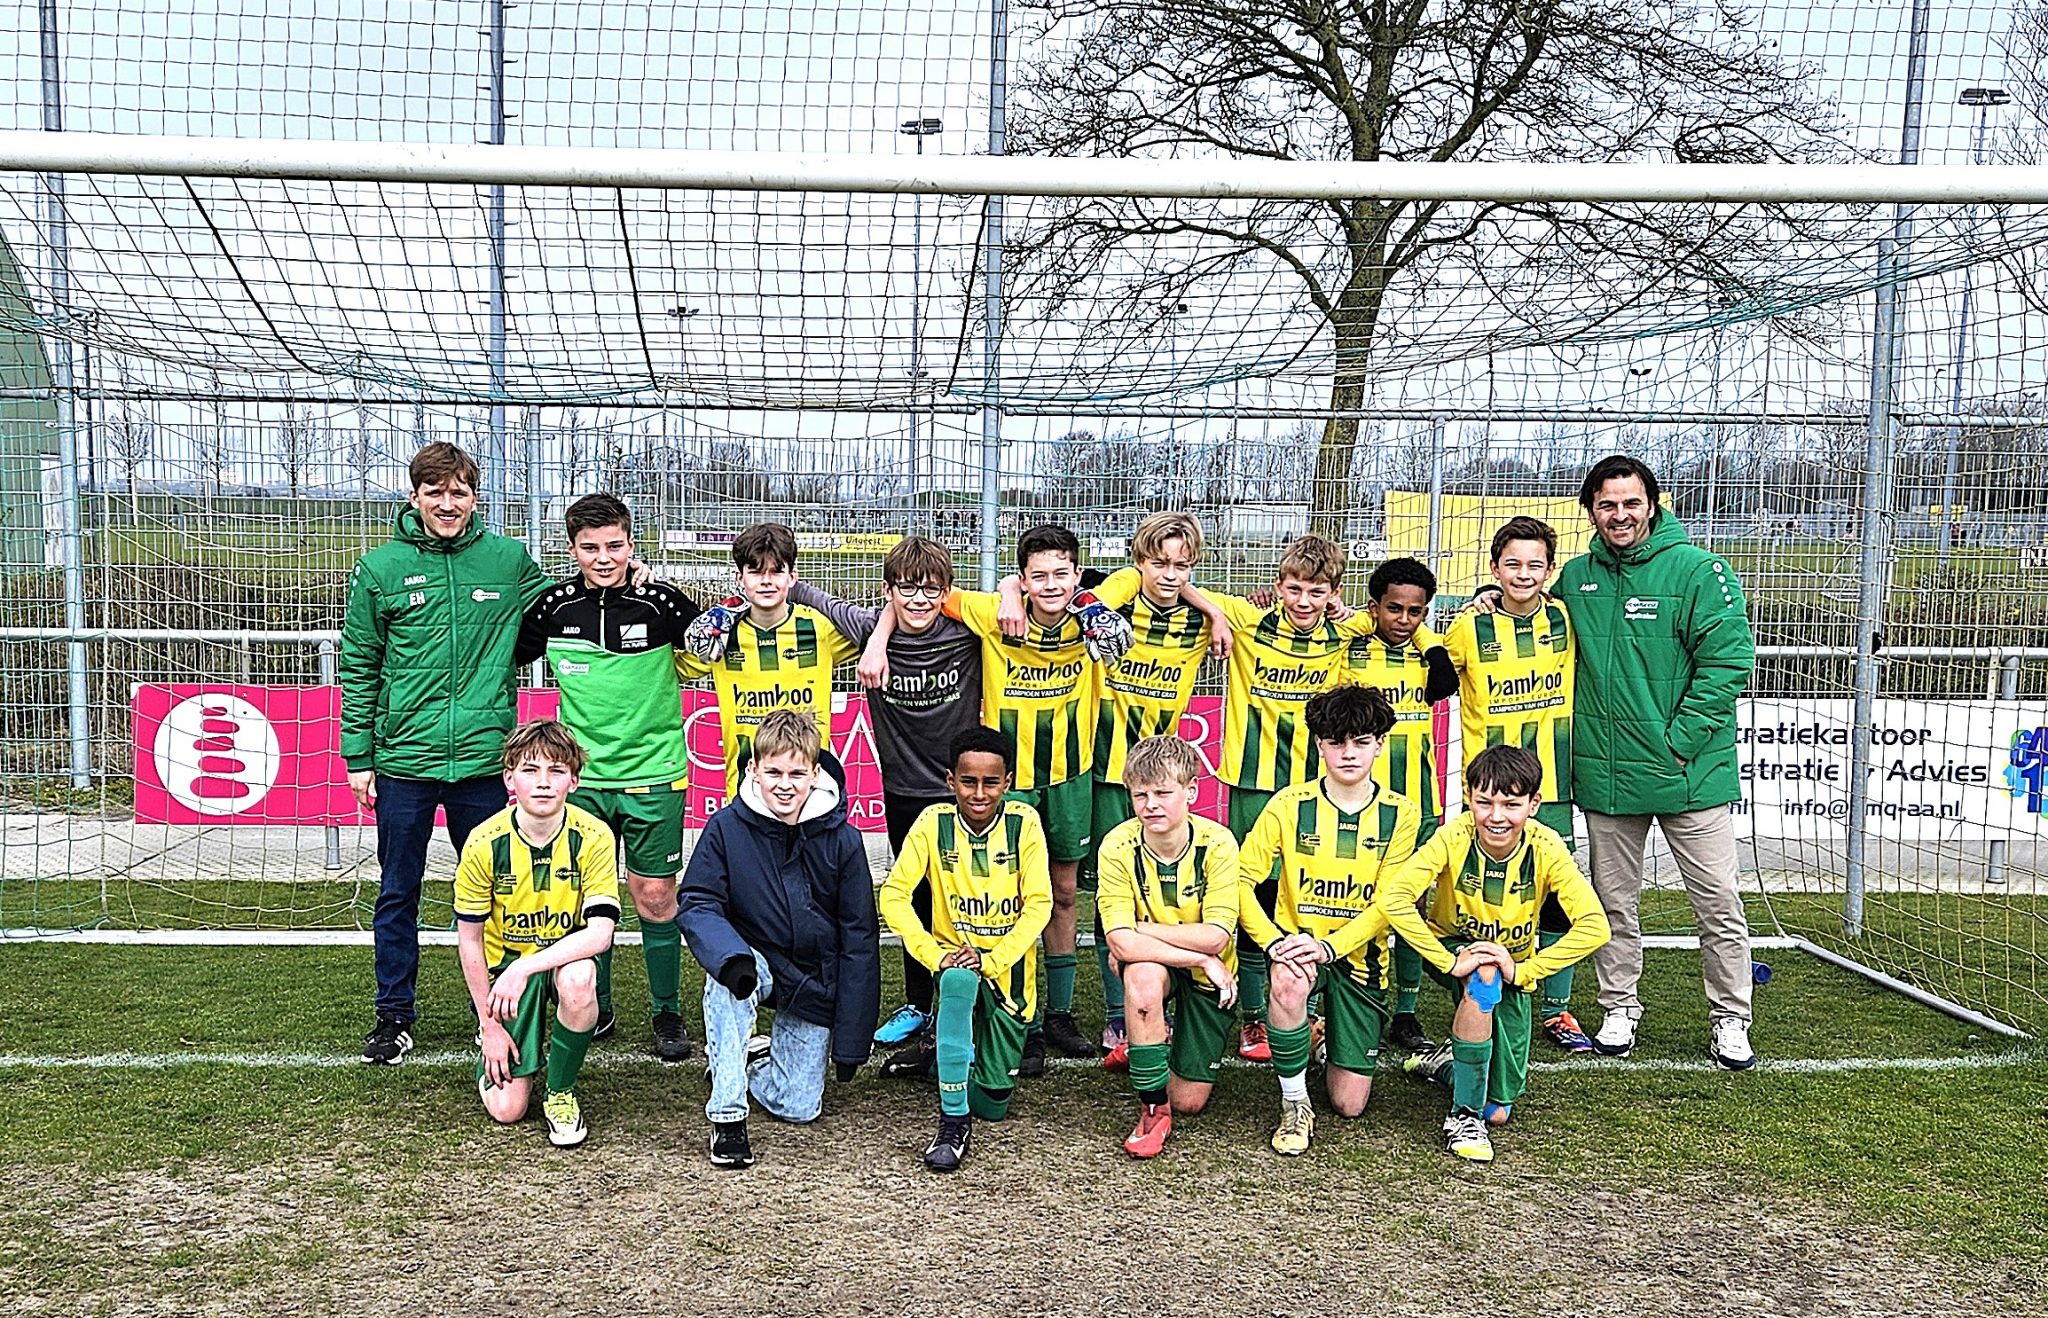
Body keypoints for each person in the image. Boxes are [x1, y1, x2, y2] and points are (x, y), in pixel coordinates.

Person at [1175, 534, 1446, 1062]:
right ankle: (1252, 1016)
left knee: (1325, 893)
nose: (1303, 601)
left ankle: (1328, 1006)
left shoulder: (1346, 628)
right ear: (1277, 587)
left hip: (1315, 788)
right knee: (1249, 891)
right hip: (1253, 783)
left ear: (1334, 593)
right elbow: (1183, 584)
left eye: (1316, 591)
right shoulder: (1251, 619)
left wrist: (1433, 643)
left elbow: (1401, 618)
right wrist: (1217, 613)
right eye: (1294, 589)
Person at [340, 440, 549, 1065]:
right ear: (415, 498)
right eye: (436, 493)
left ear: (475, 496)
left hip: (485, 762)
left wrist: (634, 578)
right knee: (399, 889)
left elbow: (560, 611)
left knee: (498, 895)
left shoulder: (509, 560)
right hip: (403, 759)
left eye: (459, 492)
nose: (448, 503)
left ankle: (497, 1011)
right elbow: (360, 663)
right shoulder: (381, 568)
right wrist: (359, 755)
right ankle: (394, 1016)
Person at [1558, 455, 1758, 1069]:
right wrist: (1489, 597)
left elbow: (1730, 661)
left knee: (1718, 902)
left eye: (1630, 502)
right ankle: (1619, 1006)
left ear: (1653, 504)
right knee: (1611, 903)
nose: (1619, 515)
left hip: (1688, 772)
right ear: (1591, 510)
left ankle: (1731, 1018)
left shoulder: (1699, 569)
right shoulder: (1576, 576)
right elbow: (1527, 610)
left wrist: (1679, 741)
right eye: (1606, 504)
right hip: (1608, 774)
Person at [915, 524, 1132, 1073]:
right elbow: (926, 595)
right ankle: (1026, 1019)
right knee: (1013, 896)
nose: (1051, 584)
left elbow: (1133, 574)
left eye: (1062, 574)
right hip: (1007, 782)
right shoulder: (996, 610)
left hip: (1069, 775)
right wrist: (1009, 592)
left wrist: (1087, 600)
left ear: (1078, 576)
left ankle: (1058, 1015)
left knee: (1062, 892)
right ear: (1024, 578)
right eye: (1038, 575)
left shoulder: (1094, 614)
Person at [785, 536, 983, 1069]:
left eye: (931, 589)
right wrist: (878, 635)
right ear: (888, 590)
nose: (919, 600)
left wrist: (1010, 587)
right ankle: (919, 1004)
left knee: (967, 898)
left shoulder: (966, 630)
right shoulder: (869, 625)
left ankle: (972, 1003)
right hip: (902, 792)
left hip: (964, 794)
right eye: (906, 589)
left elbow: (1020, 597)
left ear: (947, 591)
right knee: (914, 897)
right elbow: (797, 589)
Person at [516, 493, 701, 1061]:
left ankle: (667, 1012)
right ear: (572, 549)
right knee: (587, 901)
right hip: (583, 782)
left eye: (614, 546)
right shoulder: (552, 607)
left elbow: (718, 639)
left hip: (655, 773)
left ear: (631, 545)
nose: (603, 557)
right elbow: (500, 657)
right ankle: (595, 1005)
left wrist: (668, 586)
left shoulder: (664, 603)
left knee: (653, 896)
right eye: (590, 547)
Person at [1376, 745, 1611, 1164]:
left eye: (1511, 804)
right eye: (1484, 802)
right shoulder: (1452, 836)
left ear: (1533, 804)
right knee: (1483, 978)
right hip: (1453, 951)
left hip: (1513, 966)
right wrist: (1448, 960)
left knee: (1499, 1109)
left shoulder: (1547, 846)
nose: (1496, 816)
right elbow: (1394, 898)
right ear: (1469, 798)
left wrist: (1524, 969)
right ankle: (1463, 1118)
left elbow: (1596, 926)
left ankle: (1448, 1063)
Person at [677, 709, 881, 1169]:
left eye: (796, 773)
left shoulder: (844, 840)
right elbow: (698, 900)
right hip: (754, 963)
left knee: (798, 1106)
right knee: (728, 983)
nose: (784, 784)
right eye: (772, 772)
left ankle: (752, 1060)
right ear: (753, 770)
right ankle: (728, 1120)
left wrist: (851, 1043)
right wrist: (731, 958)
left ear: (815, 772)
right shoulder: (726, 828)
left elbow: (860, 940)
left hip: (813, 978)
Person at [1058, 511, 1225, 1062]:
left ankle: (1162, 1001)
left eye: (1182, 565)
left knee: (1167, 895)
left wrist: (1212, 609)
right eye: (1159, 562)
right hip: (1108, 775)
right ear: (1138, 562)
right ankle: (1117, 1017)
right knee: (1114, 898)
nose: (1171, 574)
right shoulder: (1112, 607)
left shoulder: (1201, 622)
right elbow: (1085, 594)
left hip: (1164, 778)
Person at [1238, 686, 1420, 1157]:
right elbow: (1241, 880)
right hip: (1298, 951)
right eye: (1336, 742)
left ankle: (1319, 1037)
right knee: (1288, 982)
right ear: (1318, 744)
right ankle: (1295, 1103)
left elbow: (1389, 903)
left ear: (1381, 744)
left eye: (1361, 741)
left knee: (1349, 1103)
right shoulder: (1286, 805)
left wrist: (1331, 946)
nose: (1348, 753)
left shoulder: (1402, 813)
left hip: (1360, 960)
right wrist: (1274, 941)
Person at [1443, 517, 1592, 1053]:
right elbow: (1432, 666)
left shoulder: (1568, 617)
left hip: (1547, 785)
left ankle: (1556, 1008)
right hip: (1487, 789)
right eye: (1512, 563)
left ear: (1550, 570)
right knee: (1479, 895)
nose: (1523, 573)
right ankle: (1477, 984)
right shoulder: (1468, 625)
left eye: (1535, 564)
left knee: (1552, 899)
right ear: (1493, 568)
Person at [877, 727, 1052, 1172]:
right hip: (955, 965)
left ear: (1007, 782)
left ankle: (941, 1059)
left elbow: (1040, 905)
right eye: (968, 781)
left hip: (1007, 975)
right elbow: (893, 896)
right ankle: (953, 1124)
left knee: (993, 1103)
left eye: (990, 782)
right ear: (950, 780)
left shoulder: (1024, 824)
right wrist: (934, 955)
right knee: (956, 981)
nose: (979, 793)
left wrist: (992, 960)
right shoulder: (933, 823)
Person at [456, 720, 620, 1147]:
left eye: (556, 771)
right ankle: (498, 1041)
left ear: (575, 779)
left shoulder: (595, 836)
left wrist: (528, 966)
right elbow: (469, 939)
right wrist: (488, 1024)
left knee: (581, 978)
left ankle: (561, 1092)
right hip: (505, 969)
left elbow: (600, 933)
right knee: (506, 1111)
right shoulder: (483, 842)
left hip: (556, 959)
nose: (543, 783)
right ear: (510, 777)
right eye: (530, 770)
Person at [1095, 735, 1241, 1159]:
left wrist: (1140, 930)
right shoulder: (1118, 846)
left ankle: (1146, 1043)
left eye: (1163, 792)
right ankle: (1153, 1112)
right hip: (1182, 964)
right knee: (1140, 977)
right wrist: (1198, 956)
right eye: (1140, 794)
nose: (1150, 804)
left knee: (1191, 1102)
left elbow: (1217, 935)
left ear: (1191, 791)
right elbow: (1121, 943)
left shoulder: (1218, 843)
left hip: (1208, 976)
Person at [1335, 556, 1455, 1054]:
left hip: (1417, 801)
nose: (1404, 620)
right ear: (1375, 606)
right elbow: (1328, 624)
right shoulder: (1350, 646)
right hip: (1353, 802)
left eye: (1416, 612)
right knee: (1345, 899)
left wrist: (1431, 643)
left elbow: (1447, 679)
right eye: (1393, 609)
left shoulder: (1432, 657)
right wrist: (1359, 619)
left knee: (1410, 906)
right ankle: (1341, 1003)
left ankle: (1405, 1012)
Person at [678, 522, 861, 796]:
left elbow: (877, 634)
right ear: (740, 578)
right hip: (744, 792)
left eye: (776, 571)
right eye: (755, 571)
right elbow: (668, 668)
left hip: (810, 788)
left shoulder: (818, 628)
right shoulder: (720, 635)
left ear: (792, 577)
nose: (766, 581)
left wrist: (877, 645)